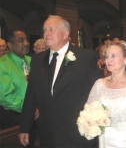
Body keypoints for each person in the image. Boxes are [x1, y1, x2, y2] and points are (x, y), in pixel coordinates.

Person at [19, 15, 103, 148]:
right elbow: (31, 94)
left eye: (51, 29)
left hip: (76, 133)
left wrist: (96, 121)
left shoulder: (85, 57)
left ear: (65, 34)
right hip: (48, 132)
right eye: (45, 30)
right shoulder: (37, 60)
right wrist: (25, 126)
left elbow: (99, 90)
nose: (46, 33)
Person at [86, 40, 126, 148]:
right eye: (106, 57)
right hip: (105, 139)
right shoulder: (99, 84)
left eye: (113, 56)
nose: (109, 60)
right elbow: (88, 111)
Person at [0, 29, 37, 147]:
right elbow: (6, 96)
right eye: (20, 40)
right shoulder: (3, 64)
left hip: (34, 114)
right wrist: (29, 110)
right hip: (12, 116)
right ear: (10, 45)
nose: (26, 43)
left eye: (26, 39)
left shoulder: (32, 61)